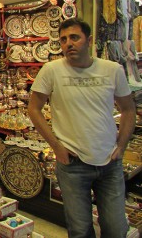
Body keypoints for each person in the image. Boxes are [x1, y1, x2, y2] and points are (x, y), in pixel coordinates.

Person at [27, 18, 136, 238]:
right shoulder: (51, 70)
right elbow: (34, 109)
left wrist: (122, 146)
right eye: (64, 39)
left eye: (74, 37)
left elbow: (128, 109)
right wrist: (56, 146)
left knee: (116, 229)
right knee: (80, 230)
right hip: (72, 164)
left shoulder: (112, 70)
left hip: (110, 163)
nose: (68, 43)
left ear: (89, 40)